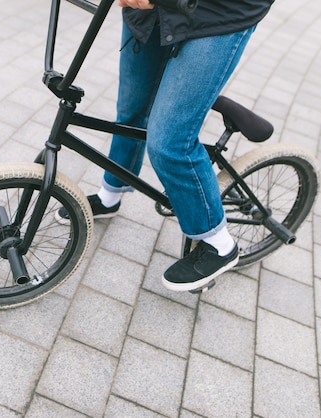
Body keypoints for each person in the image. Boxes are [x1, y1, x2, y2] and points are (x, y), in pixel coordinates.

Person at [57, 0, 275, 292]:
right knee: (131, 113)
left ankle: (218, 243)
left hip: (219, 13)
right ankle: (110, 195)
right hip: (151, 9)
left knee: (170, 143)